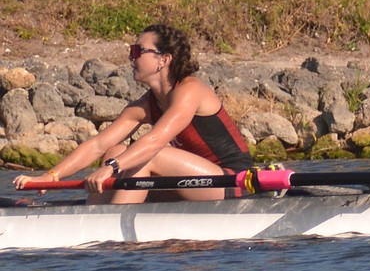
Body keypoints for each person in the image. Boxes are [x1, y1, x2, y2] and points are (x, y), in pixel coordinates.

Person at [13, 24, 253, 203]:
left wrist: (111, 169)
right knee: (115, 151)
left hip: (233, 182)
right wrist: (51, 175)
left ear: (163, 60)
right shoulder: (148, 104)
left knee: (146, 155)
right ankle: (95, 221)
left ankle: (113, 234)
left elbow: (155, 141)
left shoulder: (190, 90)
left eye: (138, 51)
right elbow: (98, 144)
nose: (131, 57)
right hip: (189, 182)